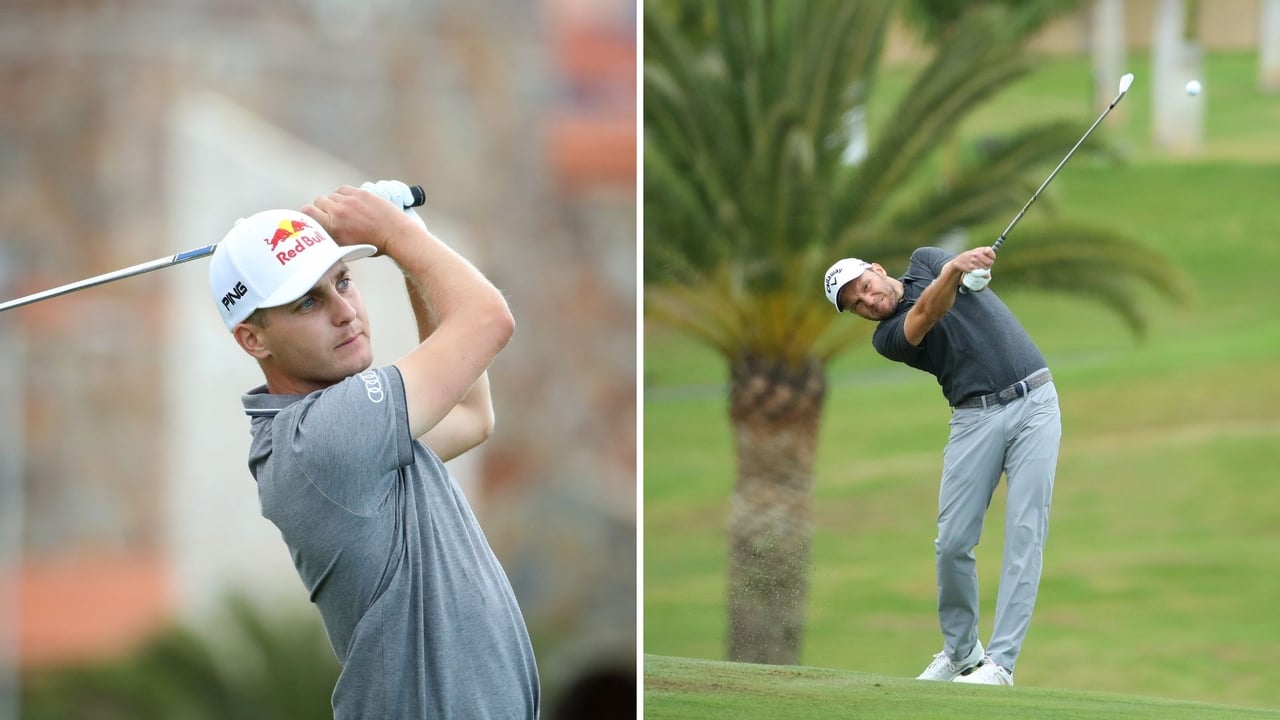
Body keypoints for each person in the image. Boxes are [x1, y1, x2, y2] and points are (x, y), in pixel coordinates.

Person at [208, 182, 540, 718]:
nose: (344, 311)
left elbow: (470, 416)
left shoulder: (340, 432)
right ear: (254, 340)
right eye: (308, 302)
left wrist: (409, 244)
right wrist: (394, 233)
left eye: (344, 281)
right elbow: (488, 319)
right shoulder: (321, 437)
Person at [822, 246, 1061, 687]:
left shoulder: (926, 259)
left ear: (877, 271)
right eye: (855, 304)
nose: (868, 302)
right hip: (975, 417)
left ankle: (1001, 665)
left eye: (866, 288)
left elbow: (967, 281)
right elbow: (931, 311)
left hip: (1037, 401)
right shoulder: (889, 336)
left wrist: (975, 272)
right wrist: (956, 271)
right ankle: (961, 654)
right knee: (952, 542)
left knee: (1026, 534)